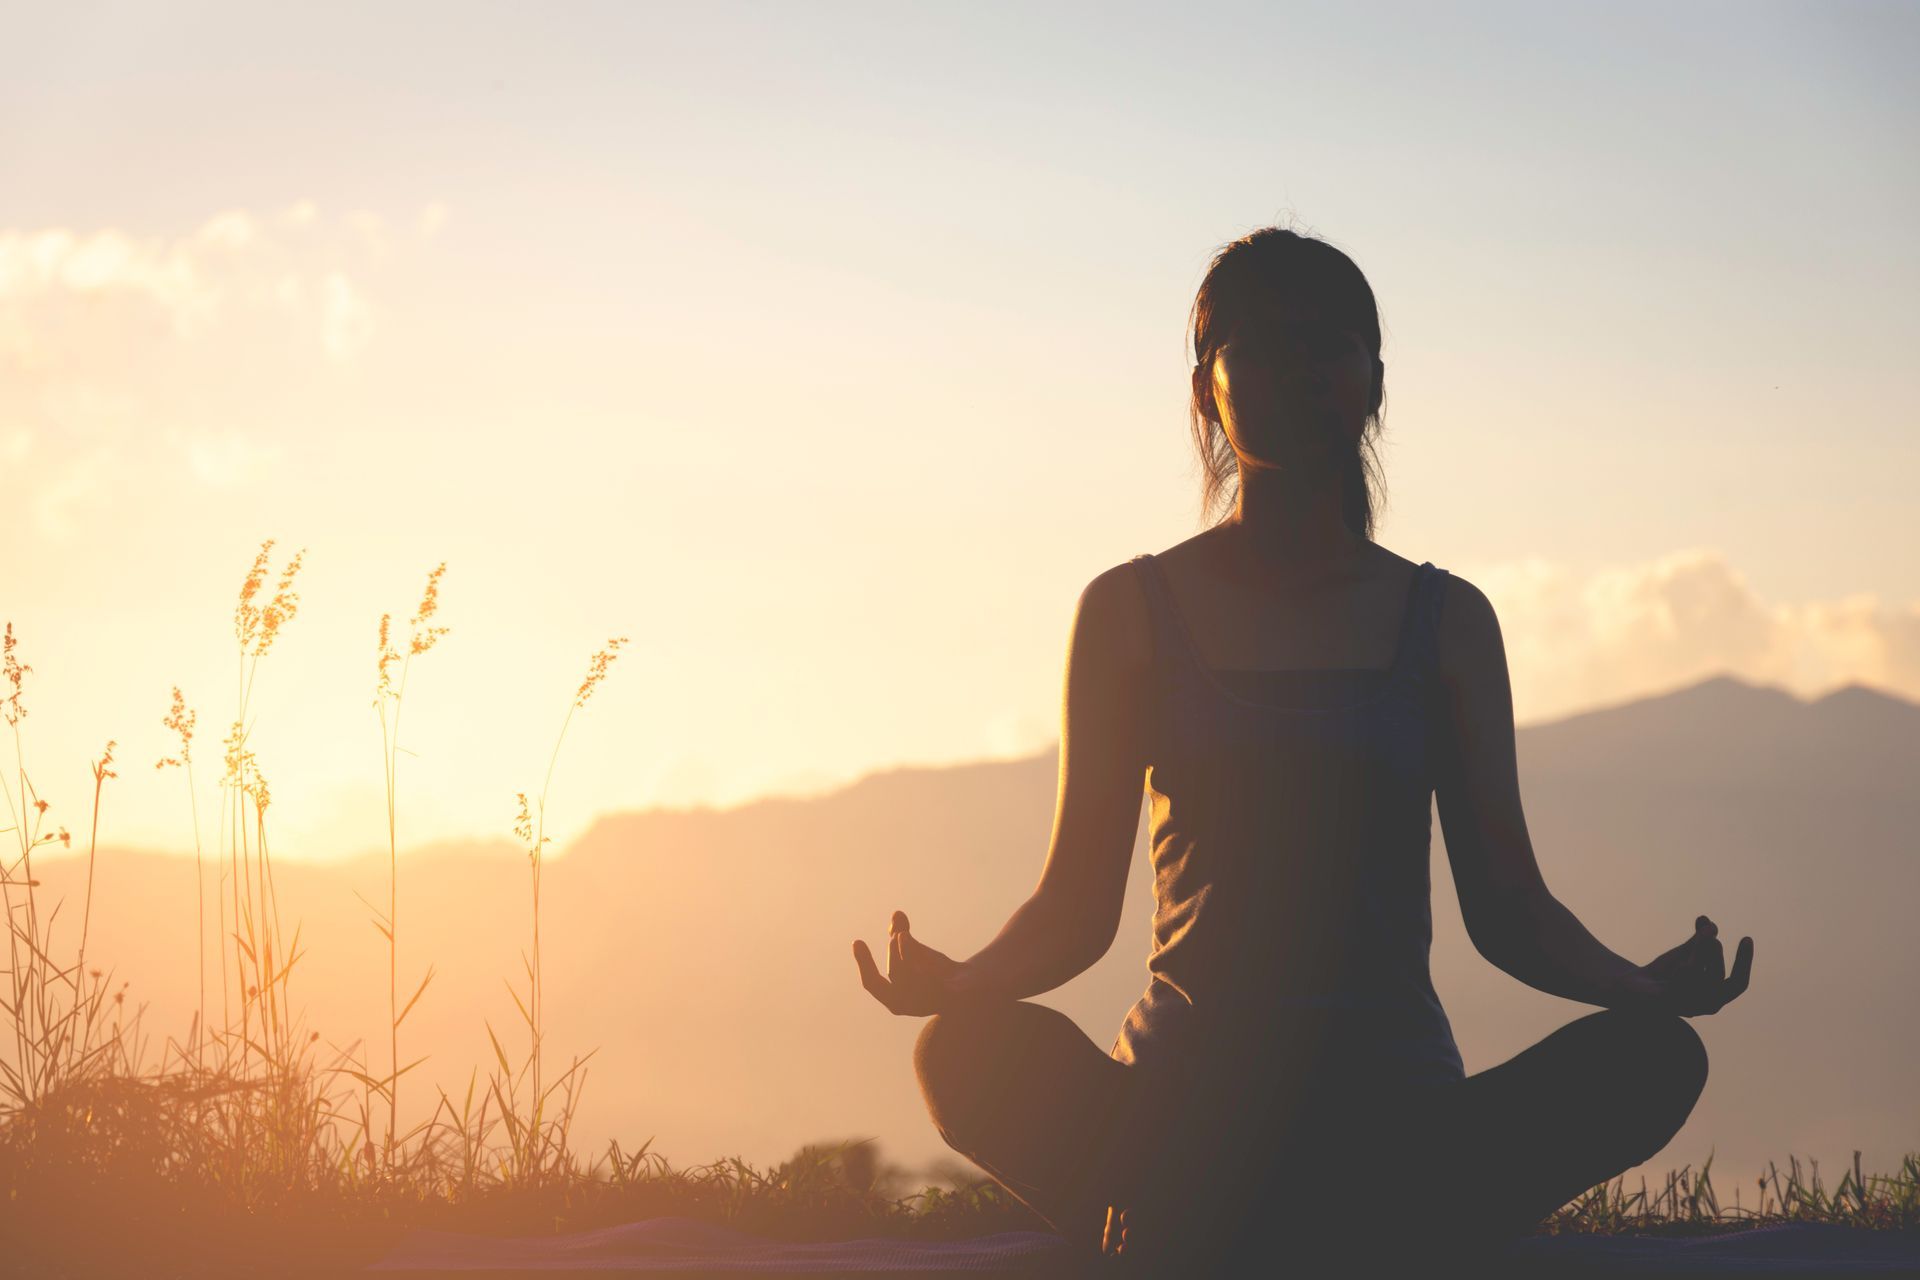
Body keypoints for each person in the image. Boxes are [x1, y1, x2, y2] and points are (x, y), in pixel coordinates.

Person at [850, 225, 1755, 1275]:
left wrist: (1643, 990)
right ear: (1207, 387)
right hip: (1177, 1127)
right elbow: (1075, 909)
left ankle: (1243, 1236)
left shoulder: (1447, 620)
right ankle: (1265, 1228)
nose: (1304, 369)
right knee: (961, 1052)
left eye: (1332, 345)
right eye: (1269, 344)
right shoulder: (1131, 611)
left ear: (1374, 382)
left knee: (1654, 1058)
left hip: (1401, 1126)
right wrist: (957, 982)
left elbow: (1510, 909)